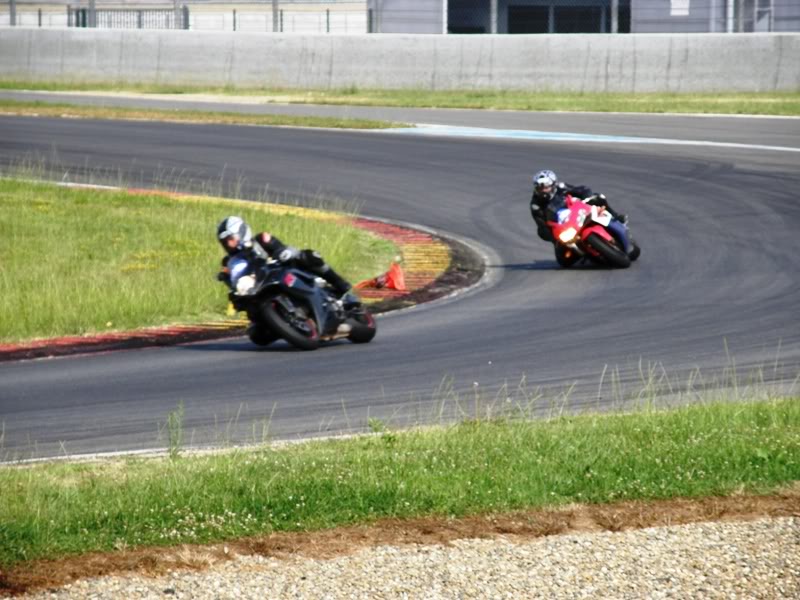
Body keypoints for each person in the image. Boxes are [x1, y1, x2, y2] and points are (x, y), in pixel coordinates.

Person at [216, 215, 355, 302]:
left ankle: (339, 283)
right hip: (259, 290)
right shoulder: (228, 262)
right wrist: (225, 278)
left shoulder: (261, 240)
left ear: (241, 232)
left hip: (283, 272)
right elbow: (234, 283)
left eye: (230, 239)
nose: (229, 244)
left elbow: (282, 249)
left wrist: (281, 254)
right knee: (257, 336)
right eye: (225, 242)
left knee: (309, 256)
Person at [529, 169, 627, 243]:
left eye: (545, 187)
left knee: (599, 198)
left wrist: (588, 198)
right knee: (563, 261)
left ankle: (616, 217)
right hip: (561, 227)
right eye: (539, 187)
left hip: (577, 212)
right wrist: (554, 237)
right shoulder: (535, 204)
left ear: (553, 184)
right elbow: (542, 225)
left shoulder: (561, 187)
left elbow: (581, 190)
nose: (543, 190)